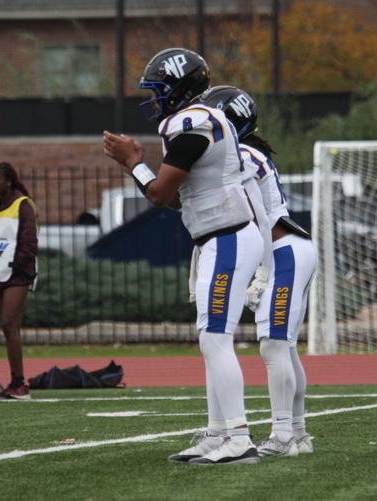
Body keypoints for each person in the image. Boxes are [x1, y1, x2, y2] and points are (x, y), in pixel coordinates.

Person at [103, 48, 264, 465]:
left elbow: (157, 194)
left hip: (227, 238)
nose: (154, 101)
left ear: (178, 89)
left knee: (214, 339)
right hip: (222, 237)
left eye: (158, 91)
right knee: (213, 339)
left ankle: (239, 437)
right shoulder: (201, 121)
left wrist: (133, 164)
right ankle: (218, 434)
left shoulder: (192, 122)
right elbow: (178, 198)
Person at [201, 85, 317, 457]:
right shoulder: (246, 152)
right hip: (287, 251)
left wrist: (263, 273)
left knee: (273, 347)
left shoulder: (242, 155)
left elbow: (261, 220)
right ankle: (297, 434)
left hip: (282, 253)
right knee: (284, 348)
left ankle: (284, 436)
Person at [0, 162, 38, 400]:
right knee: (11, 328)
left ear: (8, 181)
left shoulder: (23, 205)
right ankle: (16, 382)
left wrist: (17, 266)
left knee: (8, 323)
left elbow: (29, 241)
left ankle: (19, 383)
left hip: (17, 273)